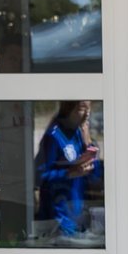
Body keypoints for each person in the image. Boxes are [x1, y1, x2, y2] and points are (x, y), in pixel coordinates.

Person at [35, 100, 102, 238]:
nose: (86, 115)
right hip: (59, 220)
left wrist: (87, 142)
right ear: (69, 108)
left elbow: (96, 176)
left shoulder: (81, 135)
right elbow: (39, 176)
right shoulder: (54, 136)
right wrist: (69, 173)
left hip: (79, 217)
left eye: (89, 110)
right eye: (82, 109)